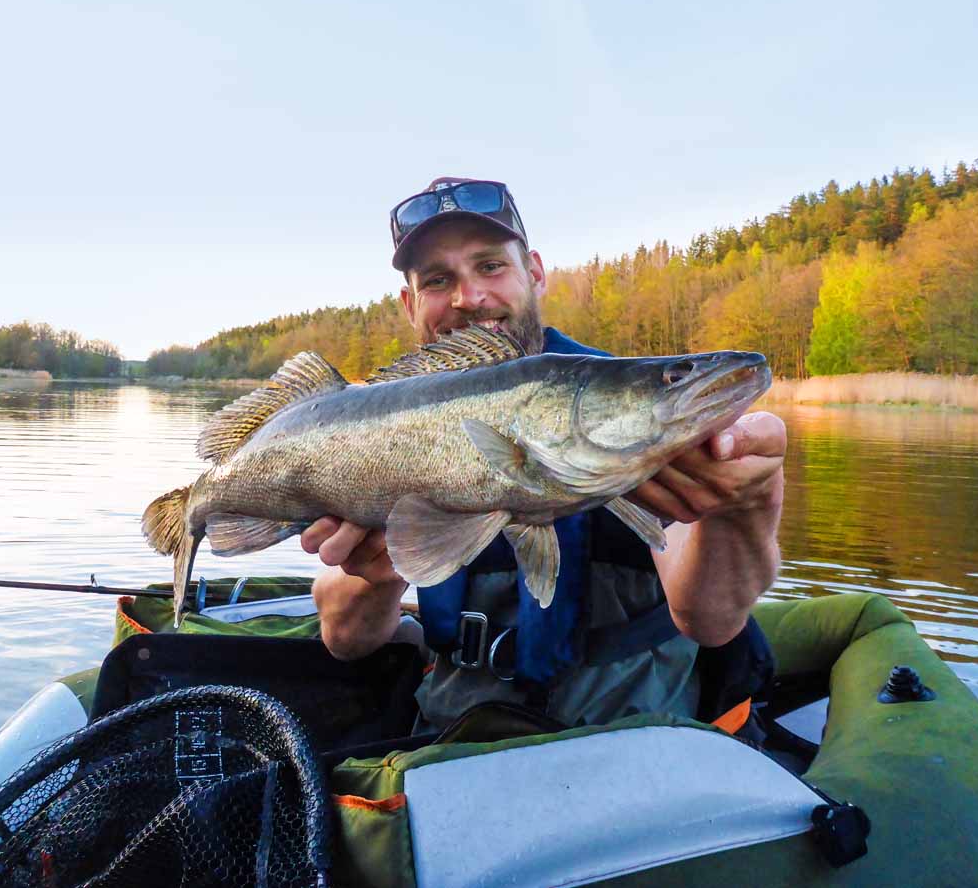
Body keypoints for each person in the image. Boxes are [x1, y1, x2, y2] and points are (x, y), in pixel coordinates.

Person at [305, 178, 786, 731]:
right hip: (454, 740)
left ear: (533, 272)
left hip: (630, 740)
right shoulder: (370, 431)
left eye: (490, 266)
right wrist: (380, 573)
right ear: (410, 304)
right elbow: (345, 641)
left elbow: (710, 620)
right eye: (438, 280)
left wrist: (745, 509)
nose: (469, 297)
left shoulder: (627, 416)